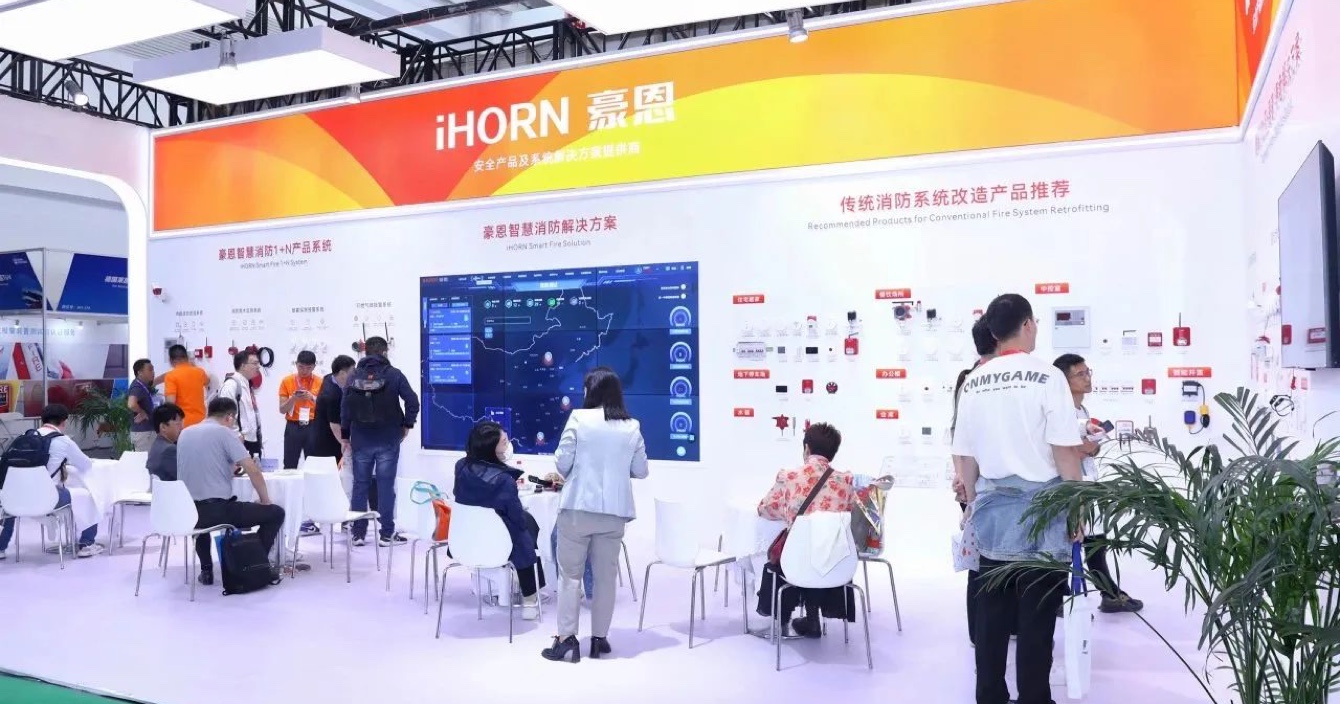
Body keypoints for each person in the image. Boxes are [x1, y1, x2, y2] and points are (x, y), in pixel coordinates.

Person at [952, 293, 1084, 704]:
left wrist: (970, 505)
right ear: (1027, 325)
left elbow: (964, 454)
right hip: (1042, 512)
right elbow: (1065, 451)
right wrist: (1077, 506)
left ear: (993, 332)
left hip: (992, 512)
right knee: (1037, 618)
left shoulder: (974, 380)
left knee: (991, 617)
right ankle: (1034, 698)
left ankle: (990, 695)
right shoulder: (1048, 377)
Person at [542, 367, 649, 663]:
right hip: (614, 513)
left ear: (591, 391)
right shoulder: (632, 426)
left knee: (570, 577)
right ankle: (600, 639)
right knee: (605, 578)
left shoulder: (579, 418)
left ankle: (567, 640)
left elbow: (562, 463)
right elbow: (641, 470)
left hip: (577, 509)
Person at [1053, 353, 1142, 614]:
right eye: (1079, 374)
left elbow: (1085, 448)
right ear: (1064, 380)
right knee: (1067, 542)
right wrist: (1084, 449)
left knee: (1095, 538)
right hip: (1068, 486)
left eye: (1087, 372)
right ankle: (1062, 596)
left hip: (1087, 482)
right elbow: (1062, 451)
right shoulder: (1058, 411)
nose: (1087, 378)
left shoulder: (1082, 411)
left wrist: (1091, 447)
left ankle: (1108, 593)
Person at [756, 422, 857, 638]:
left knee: (794, 555)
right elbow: (849, 513)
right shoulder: (846, 480)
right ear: (833, 452)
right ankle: (812, 620)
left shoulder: (789, 476)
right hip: (834, 561)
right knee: (820, 551)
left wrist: (789, 512)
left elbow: (764, 509)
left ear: (806, 448)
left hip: (796, 561)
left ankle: (783, 622)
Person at [176, 397, 285, 586]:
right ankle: (253, 564)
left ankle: (206, 571)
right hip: (218, 511)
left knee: (201, 524)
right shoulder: (224, 433)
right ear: (229, 417)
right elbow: (252, 470)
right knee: (275, 513)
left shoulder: (185, 433)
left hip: (188, 511)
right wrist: (265, 500)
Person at [454, 421, 546, 620]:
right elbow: (516, 518)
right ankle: (530, 597)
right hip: (498, 543)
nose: (508, 444)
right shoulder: (504, 480)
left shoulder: (461, 468)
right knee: (526, 528)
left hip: (465, 539)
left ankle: (520, 588)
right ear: (491, 448)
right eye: (504, 442)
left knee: (526, 523)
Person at [340, 337, 418, 548]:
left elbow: (345, 407)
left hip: (360, 439)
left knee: (360, 485)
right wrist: (407, 424)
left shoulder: (353, 376)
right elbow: (412, 401)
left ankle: (358, 534)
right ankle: (386, 534)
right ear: (385, 352)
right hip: (388, 438)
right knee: (385, 486)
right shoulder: (394, 374)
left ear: (365, 352)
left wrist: (345, 435)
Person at [0, 404, 104, 559]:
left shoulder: (25, 436)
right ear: (64, 421)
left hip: (15, 497)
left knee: (13, 501)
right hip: (48, 498)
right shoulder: (64, 441)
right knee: (89, 497)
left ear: (43, 420)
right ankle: (87, 544)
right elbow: (85, 464)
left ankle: (1, 547)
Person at [952, 319, 999, 647]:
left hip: (978, 482)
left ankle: (990, 630)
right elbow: (962, 437)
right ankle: (979, 631)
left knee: (987, 560)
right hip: (980, 483)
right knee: (980, 561)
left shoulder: (975, 378)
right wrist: (966, 484)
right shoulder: (976, 380)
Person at [279, 350, 322, 470]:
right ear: (296, 364)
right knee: (289, 464)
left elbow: (325, 408)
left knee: (314, 464)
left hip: (313, 425)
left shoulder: (320, 382)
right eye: (301, 367)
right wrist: (293, 398)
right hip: (293, 426)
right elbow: (282, 409)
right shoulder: (287, 381)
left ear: (314, 367)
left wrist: (312, 397)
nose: (304, 371)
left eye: (309, 368)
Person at [217, 350, 263, 457]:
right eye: (255, 363)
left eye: (258, 363)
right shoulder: (231, 385)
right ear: (243, 366)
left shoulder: (247, 384)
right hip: (240, 441)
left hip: (252, 439)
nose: (258, 366)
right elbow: (225, 414)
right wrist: (236, 434)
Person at [163, 345, 212, 427]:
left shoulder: (171, 376)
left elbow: (170, 403)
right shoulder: (200, 372)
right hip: (201, 421)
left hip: (182, 423)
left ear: (171, 360)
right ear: (187, 357)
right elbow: (208, 381)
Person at [146, 403, 185, 482]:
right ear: (163, 427)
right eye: (178, 424)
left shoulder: (157, 444)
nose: (182, 427)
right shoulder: (169, 450)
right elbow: (186, 476)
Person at [127, 359, 157, 452]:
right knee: (144, 460)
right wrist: (142, 412)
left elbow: (157, 380)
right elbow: (131, 404)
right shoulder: (137, 387)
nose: (153, 372)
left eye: (153, 369)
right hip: (143, 434)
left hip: (146, 432)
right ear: (140, 372)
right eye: (150, 369)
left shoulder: (143, 385)